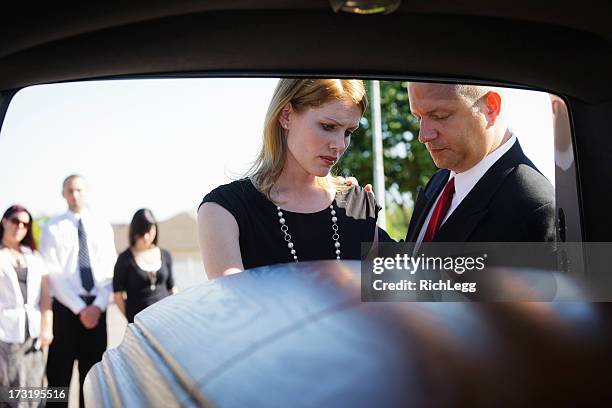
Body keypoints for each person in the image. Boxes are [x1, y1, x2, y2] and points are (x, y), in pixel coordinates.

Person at [198, 78, 381, 278]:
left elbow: (409, 290)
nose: (339, 145)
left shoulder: (358, 205)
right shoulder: (223, 210)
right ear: (286, 115)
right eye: (328, 126)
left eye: (348, 132)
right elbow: (234, 304)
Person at [404, 82, 555, 244]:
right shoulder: (439, 181)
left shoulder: (533, 207)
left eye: (439, 116)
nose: (423, 135)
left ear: (491, 107)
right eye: (418, 118)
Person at [40, 175, 116, 408]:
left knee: (92, 381)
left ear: (86, 192)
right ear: (63, 194)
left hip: (97, 310)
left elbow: (110, 269)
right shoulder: (52, 227)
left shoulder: (102, 225)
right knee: (58, 380)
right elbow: (53, 274)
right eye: (70, 191)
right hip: (65, 310)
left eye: (79, 190)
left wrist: (98, 305)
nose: (75, 195)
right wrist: (81, 308)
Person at [0, 205, 53, 393]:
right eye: (15, 221)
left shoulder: (34, 256)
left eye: (25, 224)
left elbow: (45, 297)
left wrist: (47, 327)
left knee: (33, 387)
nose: (19, 227)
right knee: (8, 388)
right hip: (5, 334)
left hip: (32, 334)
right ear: (4, 221)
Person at [113, 209, 176, 323]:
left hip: (166, 320)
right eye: (141, 232)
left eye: (149, 231)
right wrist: (131, 319)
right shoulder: (125, 259)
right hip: (140, 324)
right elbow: (118, 295)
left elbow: (172, 288)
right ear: (134, 232)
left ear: (155, 229)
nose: (146, 237)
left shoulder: (165, 255)